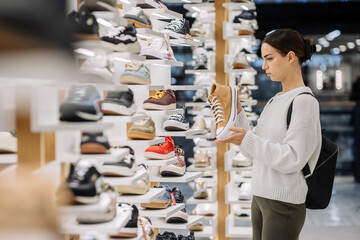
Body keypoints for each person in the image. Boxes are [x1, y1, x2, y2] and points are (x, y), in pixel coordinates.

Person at [216, 28, 321, 240]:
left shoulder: (303, 101)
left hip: (283, 203)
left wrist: (247, 138)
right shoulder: (276, 100)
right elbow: (255, 153)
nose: (264, 66)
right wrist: (238, 114)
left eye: (269, 59)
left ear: (290, 56)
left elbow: (292, 158)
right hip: (261, 197)